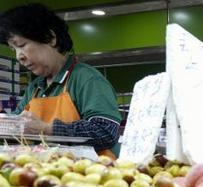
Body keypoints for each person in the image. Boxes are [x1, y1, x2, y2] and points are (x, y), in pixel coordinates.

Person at [0, 4, 121, 156]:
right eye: (14, 49)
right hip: (47, 169)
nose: (19, 56)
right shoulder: (35, 88)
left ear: (50, 38)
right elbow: (16, 127)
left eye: (21, 45)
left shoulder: (87, 79)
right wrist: (7, 125)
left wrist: (46, 129)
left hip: (93, 168)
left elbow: (106, 132)